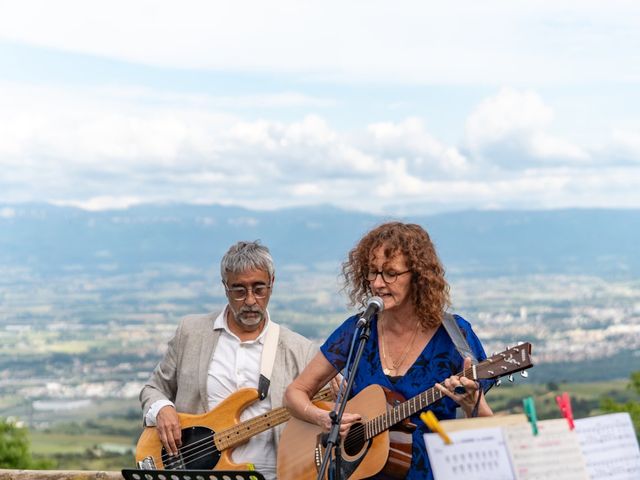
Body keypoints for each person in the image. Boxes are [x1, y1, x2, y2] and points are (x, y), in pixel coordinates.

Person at [284, 222, 493, 479]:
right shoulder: (358, 330)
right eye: (372, 273)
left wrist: (474, 405)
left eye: (391, 273)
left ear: (418, 276)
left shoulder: (454, 335)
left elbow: (487, 429)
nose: (378, 284)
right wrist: (323, 418)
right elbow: (295, 393)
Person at [140, 240, 317, 480]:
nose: (251, 300)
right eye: (239, 291)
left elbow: (326, 412)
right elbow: (154, 389)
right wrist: (162, 409)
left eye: (259, 288)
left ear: (272, 284)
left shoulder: (300, 349)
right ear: (225, 286)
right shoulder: (191, 332)